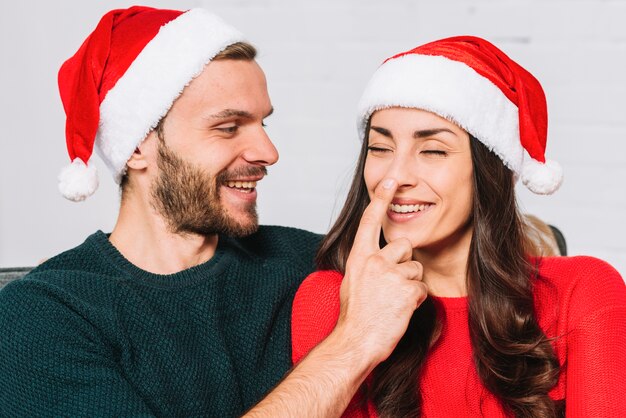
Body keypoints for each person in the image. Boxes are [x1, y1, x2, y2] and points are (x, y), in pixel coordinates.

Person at [0, 6, 427, 417]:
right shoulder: (44, 315)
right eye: (228, 127)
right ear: (135, 147)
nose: (268, 152)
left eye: (264, 123)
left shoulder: (306, 260)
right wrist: (351, 344)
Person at [291, 36, 626, 417]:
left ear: (489, 171)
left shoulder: (582, 291)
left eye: (432, 150)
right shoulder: (328, 299)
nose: (394, 177)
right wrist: (356, 336)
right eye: (380, 148)